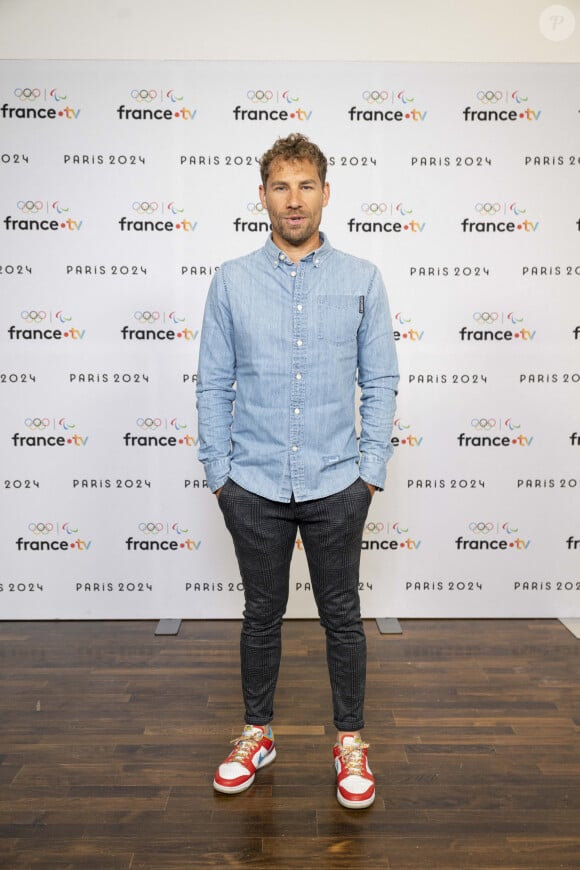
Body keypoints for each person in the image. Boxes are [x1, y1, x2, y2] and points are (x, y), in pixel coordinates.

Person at [196, 133, 399, 809]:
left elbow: (381, 381)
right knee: (261, 615)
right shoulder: (230, 279)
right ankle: (258, 731)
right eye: (280, 186)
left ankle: (350, 742)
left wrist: (368, 473)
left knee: (342, 617)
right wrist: (219, 476)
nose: (293, 199)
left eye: (306, 185)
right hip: (251, 482)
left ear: (326, 194)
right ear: (262, 196)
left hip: (337, 481)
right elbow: (212, 384)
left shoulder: (362, 278)